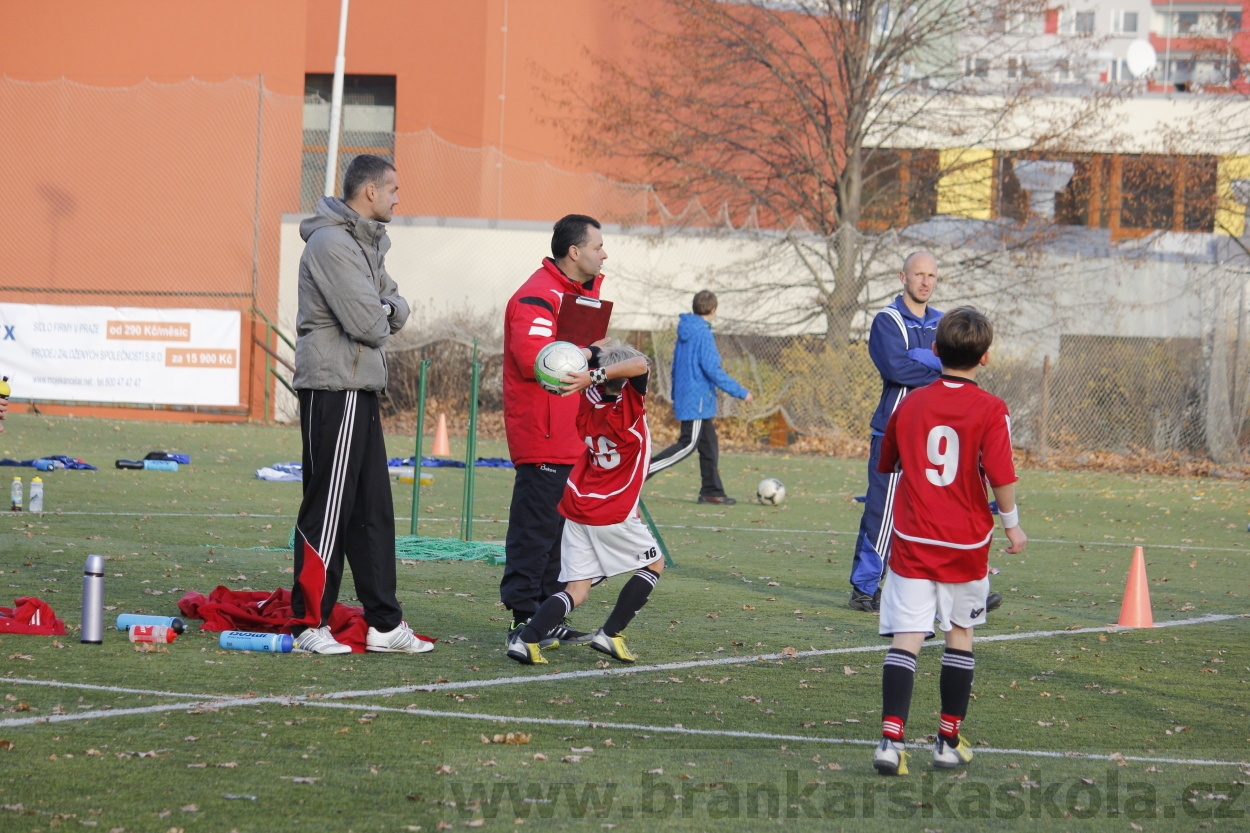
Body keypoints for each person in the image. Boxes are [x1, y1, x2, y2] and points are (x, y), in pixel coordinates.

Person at [871, 307, 1026, 776]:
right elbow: (1000, 474)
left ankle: (890, 743)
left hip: (913, 537)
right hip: (966, 543)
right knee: (960, 634)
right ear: (986, 357)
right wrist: (1012, 525)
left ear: (935, 350)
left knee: (907, 637)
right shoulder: (992, 408)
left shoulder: (911, 403)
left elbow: (889, 462)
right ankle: (946, 741)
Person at [288, 154, 431, 655]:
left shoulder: (367, 243)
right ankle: (308, 623)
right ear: (370, 191)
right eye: (393, 189)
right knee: (328, 508)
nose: (398, 198)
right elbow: (370, 323)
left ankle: (384, 624)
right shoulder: (331, 243)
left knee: (373, 511)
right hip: (335, 387)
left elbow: (396, 306)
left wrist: (384, 307)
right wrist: (384, 309)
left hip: (361, 386)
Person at [849, 252, 1002, 616]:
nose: (925, 281)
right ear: (902, 277)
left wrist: (921, 356)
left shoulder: (944, 321)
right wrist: (941, 365)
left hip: (941, 434)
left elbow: (961, 364)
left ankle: (964, 588)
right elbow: (896, 369)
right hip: (895, 432)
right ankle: (864, 589)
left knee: (947, 512)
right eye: (918, 274)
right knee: (883, 512)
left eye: (931, 275)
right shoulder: (887, 320)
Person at [507, 344, 661, 665]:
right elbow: (640, 364)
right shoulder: (629, 409)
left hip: (578, 507)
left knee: (577, 590)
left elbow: (599, 373)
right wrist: (594, 371)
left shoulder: (588, 403)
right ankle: (610, 633)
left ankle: (527, 640)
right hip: (611, 509)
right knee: (653, 564)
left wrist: (588, 356)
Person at [500, 214, 608, 646]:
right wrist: (591, 352)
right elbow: (536, 359)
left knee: (563, 534)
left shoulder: (578, 295)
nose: (604, 254)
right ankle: (522, 618)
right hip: (542, 431)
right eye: (598, 246)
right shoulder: (537, 295)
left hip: (572, 432)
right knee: (535, 530)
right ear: (574, 251)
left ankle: (547, 615)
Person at [647, 290, 752, 504]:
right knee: (688, 444)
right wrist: (740, 391)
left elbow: (676, 367)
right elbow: (712, 369)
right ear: (713, 310)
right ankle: (639, 473)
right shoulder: (703, 333)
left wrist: (677, 394)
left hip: (691, 397)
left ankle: (712, 491)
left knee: (709, 445)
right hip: (698, 400)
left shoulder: (686, 330)